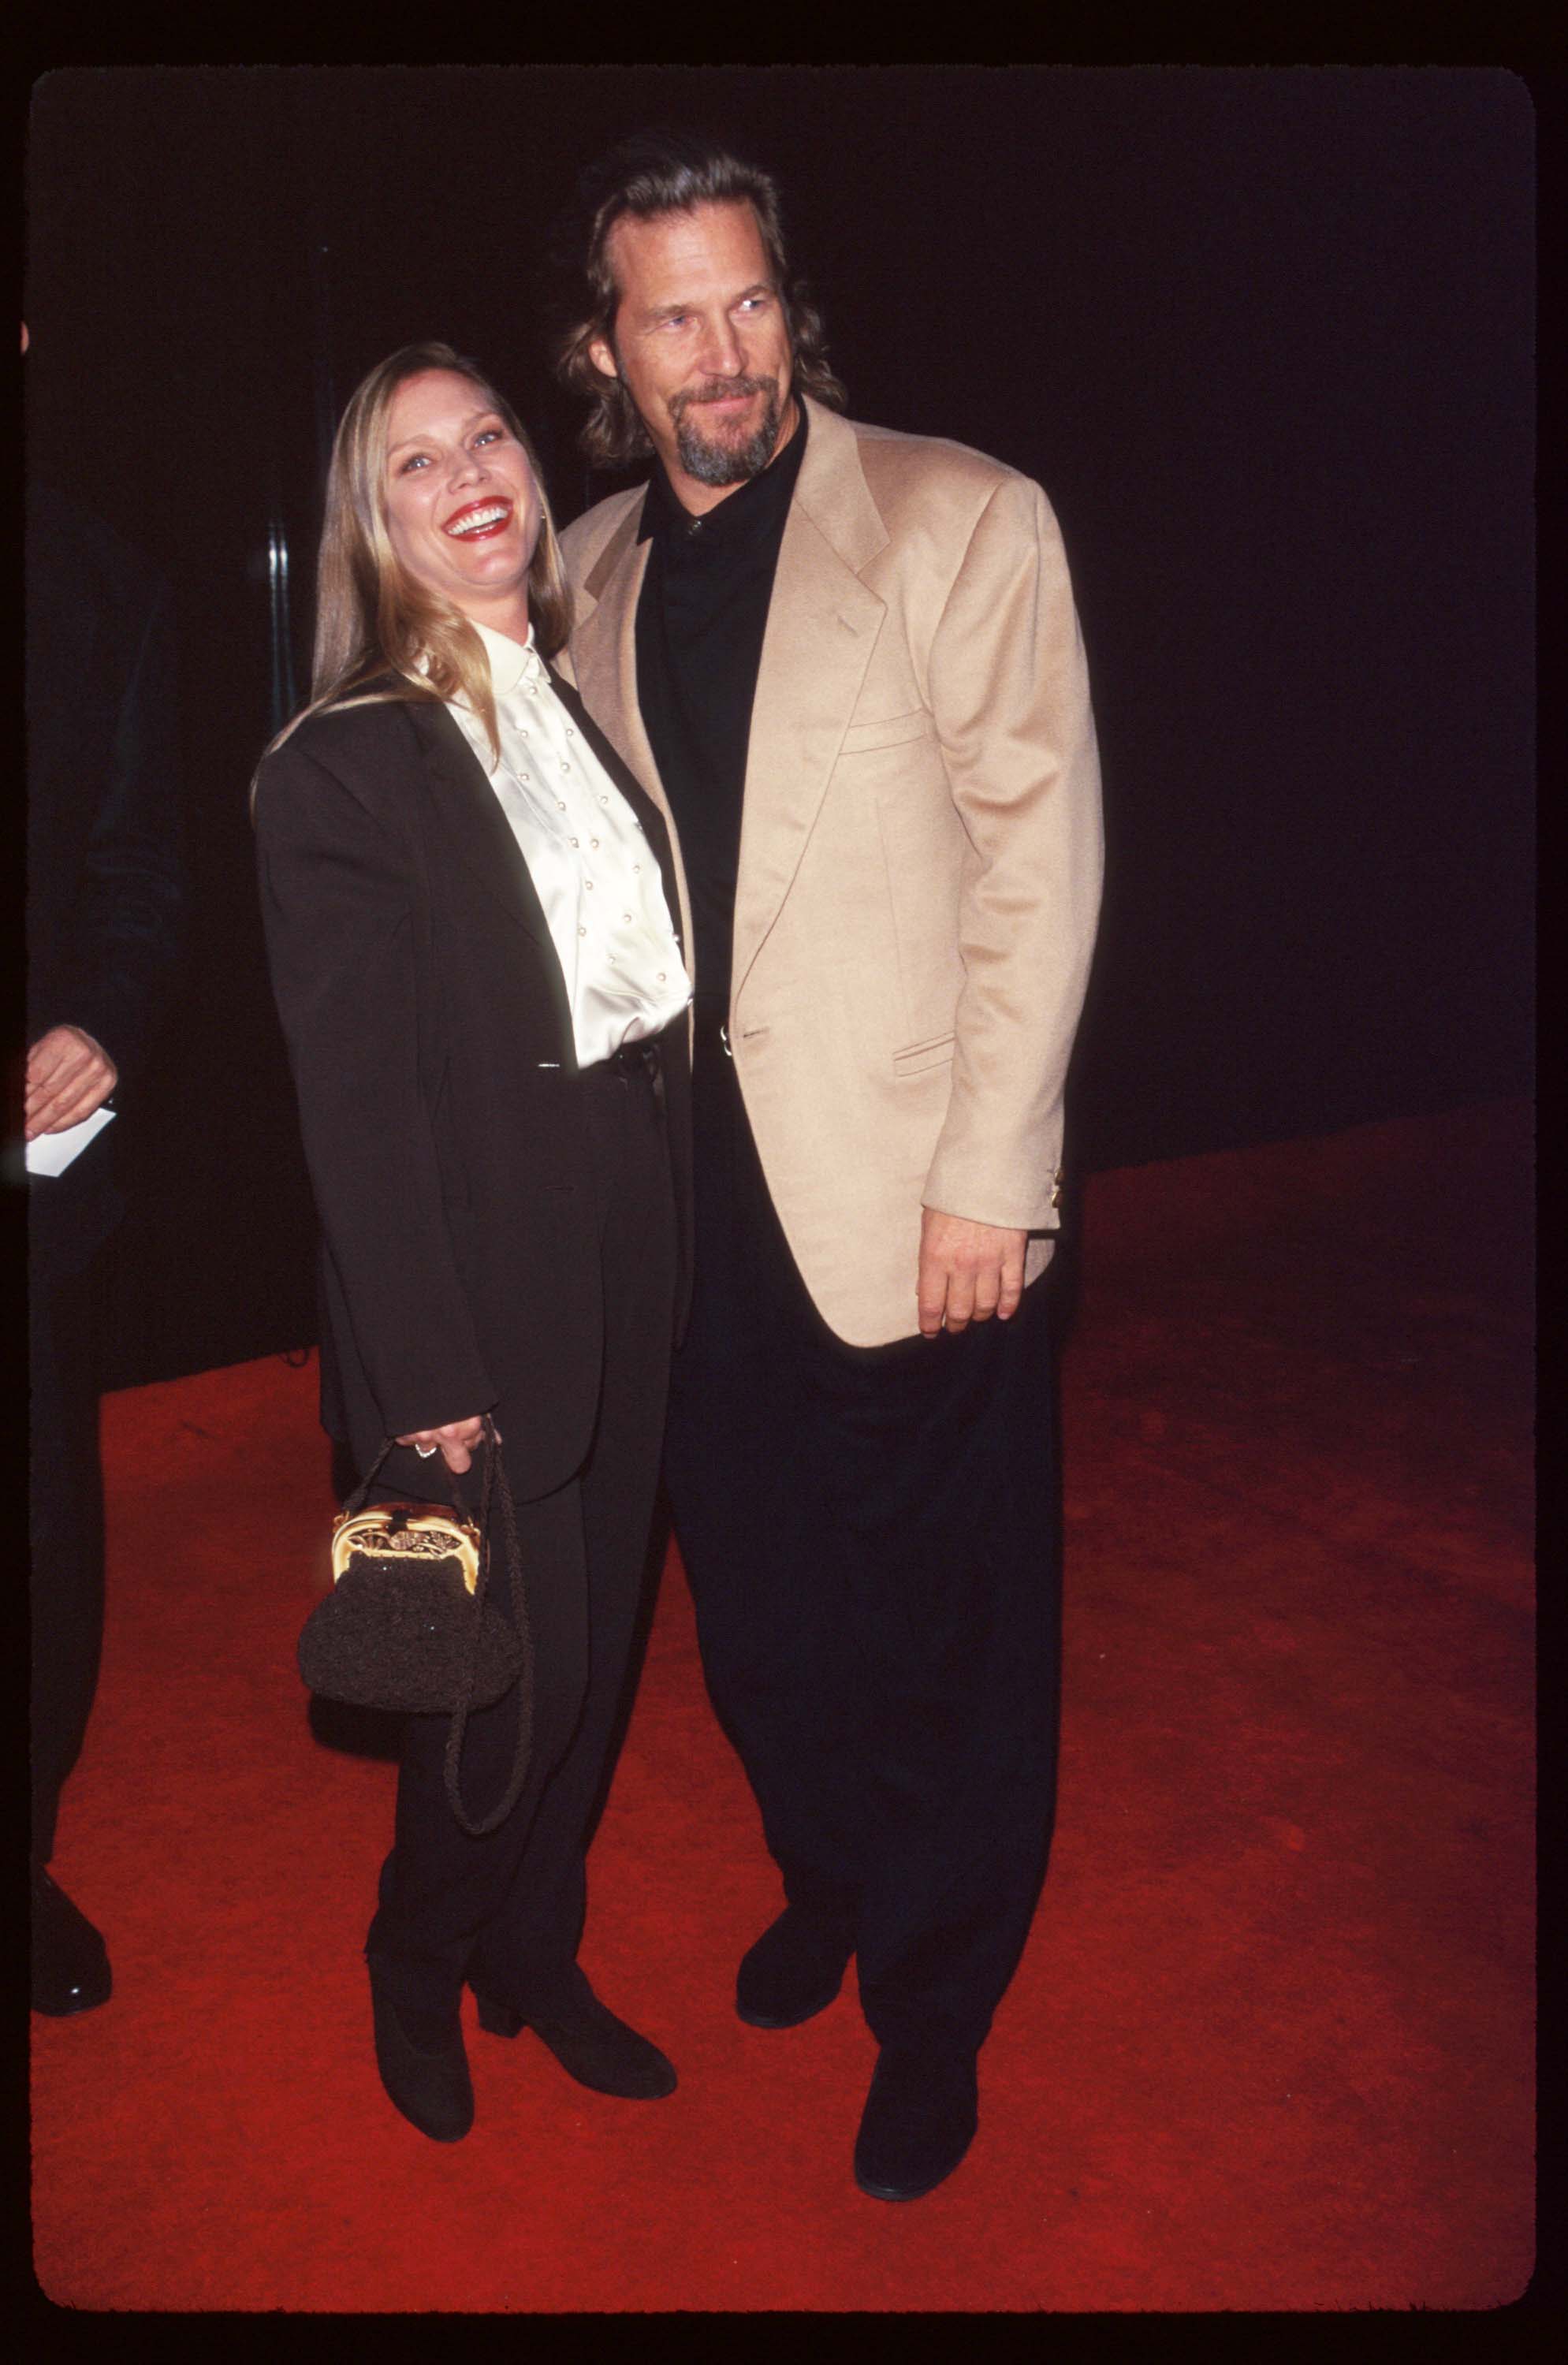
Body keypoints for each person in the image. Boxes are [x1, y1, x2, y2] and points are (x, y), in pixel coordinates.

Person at [551, 133, 1103, 2200]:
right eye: (673, 312)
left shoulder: (957, 518)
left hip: (902, 1191)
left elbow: (1036, 864)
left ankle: (934, 2007)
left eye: (749, 298)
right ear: (604, 346)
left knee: (944, 1626)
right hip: (685, 1221)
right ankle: (830, 1877)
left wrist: (996, 1171)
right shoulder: (583, 570)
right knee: (764, 1614)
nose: (723, 350)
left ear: (792, 298)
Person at [252, 342, 693, 2144]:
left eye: (488, 434)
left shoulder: (572, 701)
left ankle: (534, 1957)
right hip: (472, 1301)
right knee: (502, 1691)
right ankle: (414, 1959)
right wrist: (421, 1383)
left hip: (634, 1250)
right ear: (377, 526)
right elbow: (356, 1124)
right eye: (416, 462)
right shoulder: (341, 771)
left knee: (598, 1671)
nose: (470, 474)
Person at [25, 315, 186, 2013]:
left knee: (42, 1546)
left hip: (26, 1165)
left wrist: (100, 1022)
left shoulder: (101, 580)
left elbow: (143, 867)